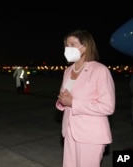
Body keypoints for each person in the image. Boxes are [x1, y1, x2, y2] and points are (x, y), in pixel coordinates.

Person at [55, 29, 115, 167]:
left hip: (90, 135)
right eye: (66, 45)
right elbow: (65, 99)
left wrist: (73, 103)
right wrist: (62, 102)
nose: (68, 48)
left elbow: (108, 106)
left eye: (72, 44)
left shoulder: (100, 70)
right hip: (69, 132)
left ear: (85, 46)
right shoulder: (68, 70)